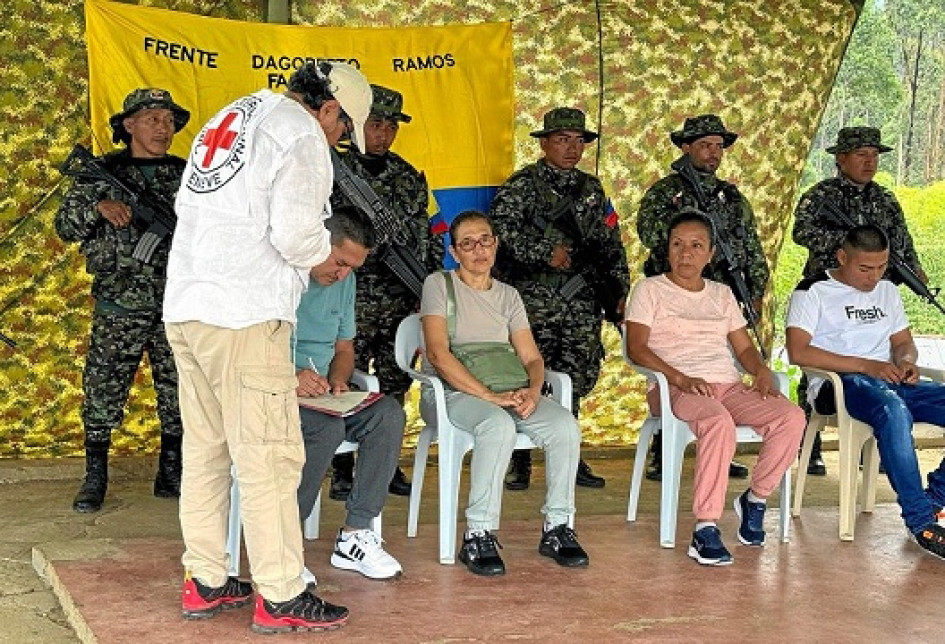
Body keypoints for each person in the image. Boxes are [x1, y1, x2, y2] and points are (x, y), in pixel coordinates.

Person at [164, 61, 371, 633]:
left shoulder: (233, 114)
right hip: (245, 315)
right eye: (343, 128)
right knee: (271, 459)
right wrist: (322, 258)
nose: (339, 140)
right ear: (328, 108)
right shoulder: (301, 133)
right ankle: (281, 593)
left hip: (188, 307)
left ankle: (205, 580)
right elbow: (296, 234)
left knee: (206, 452)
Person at [626, 211, 804, 566]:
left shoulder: (721, 294)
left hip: (727, 385)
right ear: (667, 249)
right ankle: (705, 527)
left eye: (696, 246)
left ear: (711, 254)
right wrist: (680, 378)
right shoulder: (649, 290)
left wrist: (760, 370)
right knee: (718, 422)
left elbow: (743, 348)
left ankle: (754, 500)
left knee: (791, 417)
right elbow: (637, 348)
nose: (685, 253)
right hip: (675, 389)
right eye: (677, 244)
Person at [420, 210, 589, 576]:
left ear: (496, 244)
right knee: (498, 426)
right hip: (450, 392)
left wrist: (531, 390)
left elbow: (531, 357)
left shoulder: (509, 295)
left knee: (565, 426)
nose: (478, 250)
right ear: (454, 252)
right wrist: (489, 396)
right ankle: (478, 533)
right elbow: (437, 354)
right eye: (467, 243)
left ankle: (557, 527)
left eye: (485, 240)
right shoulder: (438, 284)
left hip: (506, 388)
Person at [55, 88, 190, 513]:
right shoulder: (99, 174)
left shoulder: (188, 175)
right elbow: (66, 226)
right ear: (128, 124)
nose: (163, 128)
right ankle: (95, 474)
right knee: (103, 391)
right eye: (153, 119)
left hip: (177, 305)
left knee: (179, 392)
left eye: (168, 120)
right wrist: (98, 206)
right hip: (119, 305)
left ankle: (172, 470)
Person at [786, 224, 945, 561]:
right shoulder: (812, 291)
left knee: (895, 403)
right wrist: (864, 365)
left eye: (881, 267)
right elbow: (799, 352)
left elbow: (902, 343)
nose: (873, 277)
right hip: (839, 385)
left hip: (890, 381)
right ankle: (920, 522)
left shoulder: (887, 291)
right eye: (864, 268)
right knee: (893, 411)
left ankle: (935, 499)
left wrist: (907, 361)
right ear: (842, 257)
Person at [490, 107, 628, 491]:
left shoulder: (592, 190)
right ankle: (518, 458)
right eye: (563, 139)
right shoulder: (523, 186)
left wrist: (618, 292)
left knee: (576, 375)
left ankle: (567, 452)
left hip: (581, 301)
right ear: (545, 143)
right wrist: (543, 252)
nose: (572, 148)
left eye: (579, 140)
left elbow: (610, 244)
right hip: (534, 300)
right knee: (525, 373)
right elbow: (499, 234)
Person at [636, 114, 770, 483]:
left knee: (720, 364)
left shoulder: (731, 196)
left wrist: (755, 291)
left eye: (718, 146)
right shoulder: (666, 192)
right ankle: (664, 453)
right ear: (686, 148)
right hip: (675, 292)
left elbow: (752, 246)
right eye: (705, 146)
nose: (713, 153)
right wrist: (693, 232)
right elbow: (652, 234)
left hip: (722, 295)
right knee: (676, 366)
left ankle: (720, 450)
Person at [792, 126, 929, 476]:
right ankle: (809, 446)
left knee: (878, 352)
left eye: (874, 155)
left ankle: (879, 444)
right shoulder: (820, 195)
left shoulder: (884, 199)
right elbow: (802, 232)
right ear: (840, 158)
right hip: (830, 285)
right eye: (861, 155)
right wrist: (851, 242)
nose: (869, 162)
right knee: (820, 375)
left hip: (873, 286)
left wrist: (913, 270)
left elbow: (901, 238)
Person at [328, 84, 442, 501]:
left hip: (397, 297)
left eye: (391, 127)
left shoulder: (409, 177)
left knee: (394, 381)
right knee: (344, 378)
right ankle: (340, 466)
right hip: (349, 292)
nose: (383, 134)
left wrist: (424, 286)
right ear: (356, 125)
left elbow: (427, 237)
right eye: (375, 125)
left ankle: (385, 462)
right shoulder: (332, 170)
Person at [293, 205, 404, 582]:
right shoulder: (278, 273)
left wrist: (340, 381)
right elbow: (247, 347)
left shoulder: (345, 281)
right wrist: (291, 376)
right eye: (339, 262)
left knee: (386, 414)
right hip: (275, 389)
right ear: (317, 243)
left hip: (321, 391)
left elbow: (344, 348)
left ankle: (356, 534)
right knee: (326, 429)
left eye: (352, 269)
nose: (342, 275)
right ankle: (285, 544)